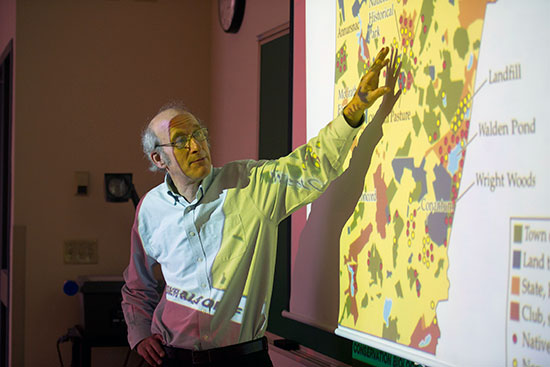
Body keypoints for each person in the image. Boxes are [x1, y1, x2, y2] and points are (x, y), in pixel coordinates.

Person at [121, 47, 401, 367]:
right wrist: (140, 332)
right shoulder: (150, 209)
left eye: (199, 134)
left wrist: (354, 110)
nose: (197, 146)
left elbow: (310, 166)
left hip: (241, 360)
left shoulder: (250, 185)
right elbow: (137, 284)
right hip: (172, 358)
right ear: (159, 159)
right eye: (182, 140)